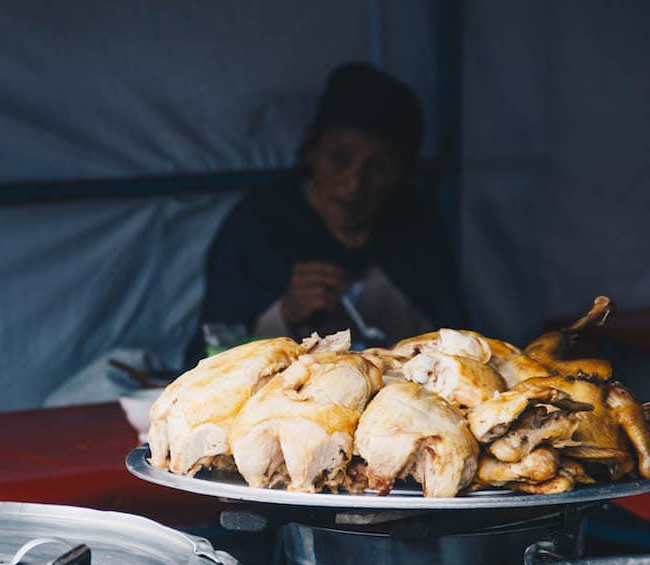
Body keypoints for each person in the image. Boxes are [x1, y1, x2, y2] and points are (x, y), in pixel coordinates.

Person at [187, 62, 463, 365]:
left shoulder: (416, 223)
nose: (353, 184)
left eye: (378, 167)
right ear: (312, 150)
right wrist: (285, 313)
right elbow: (210, 356)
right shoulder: (262, 223)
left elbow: (457, 343)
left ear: (400, 174)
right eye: (339, 158)